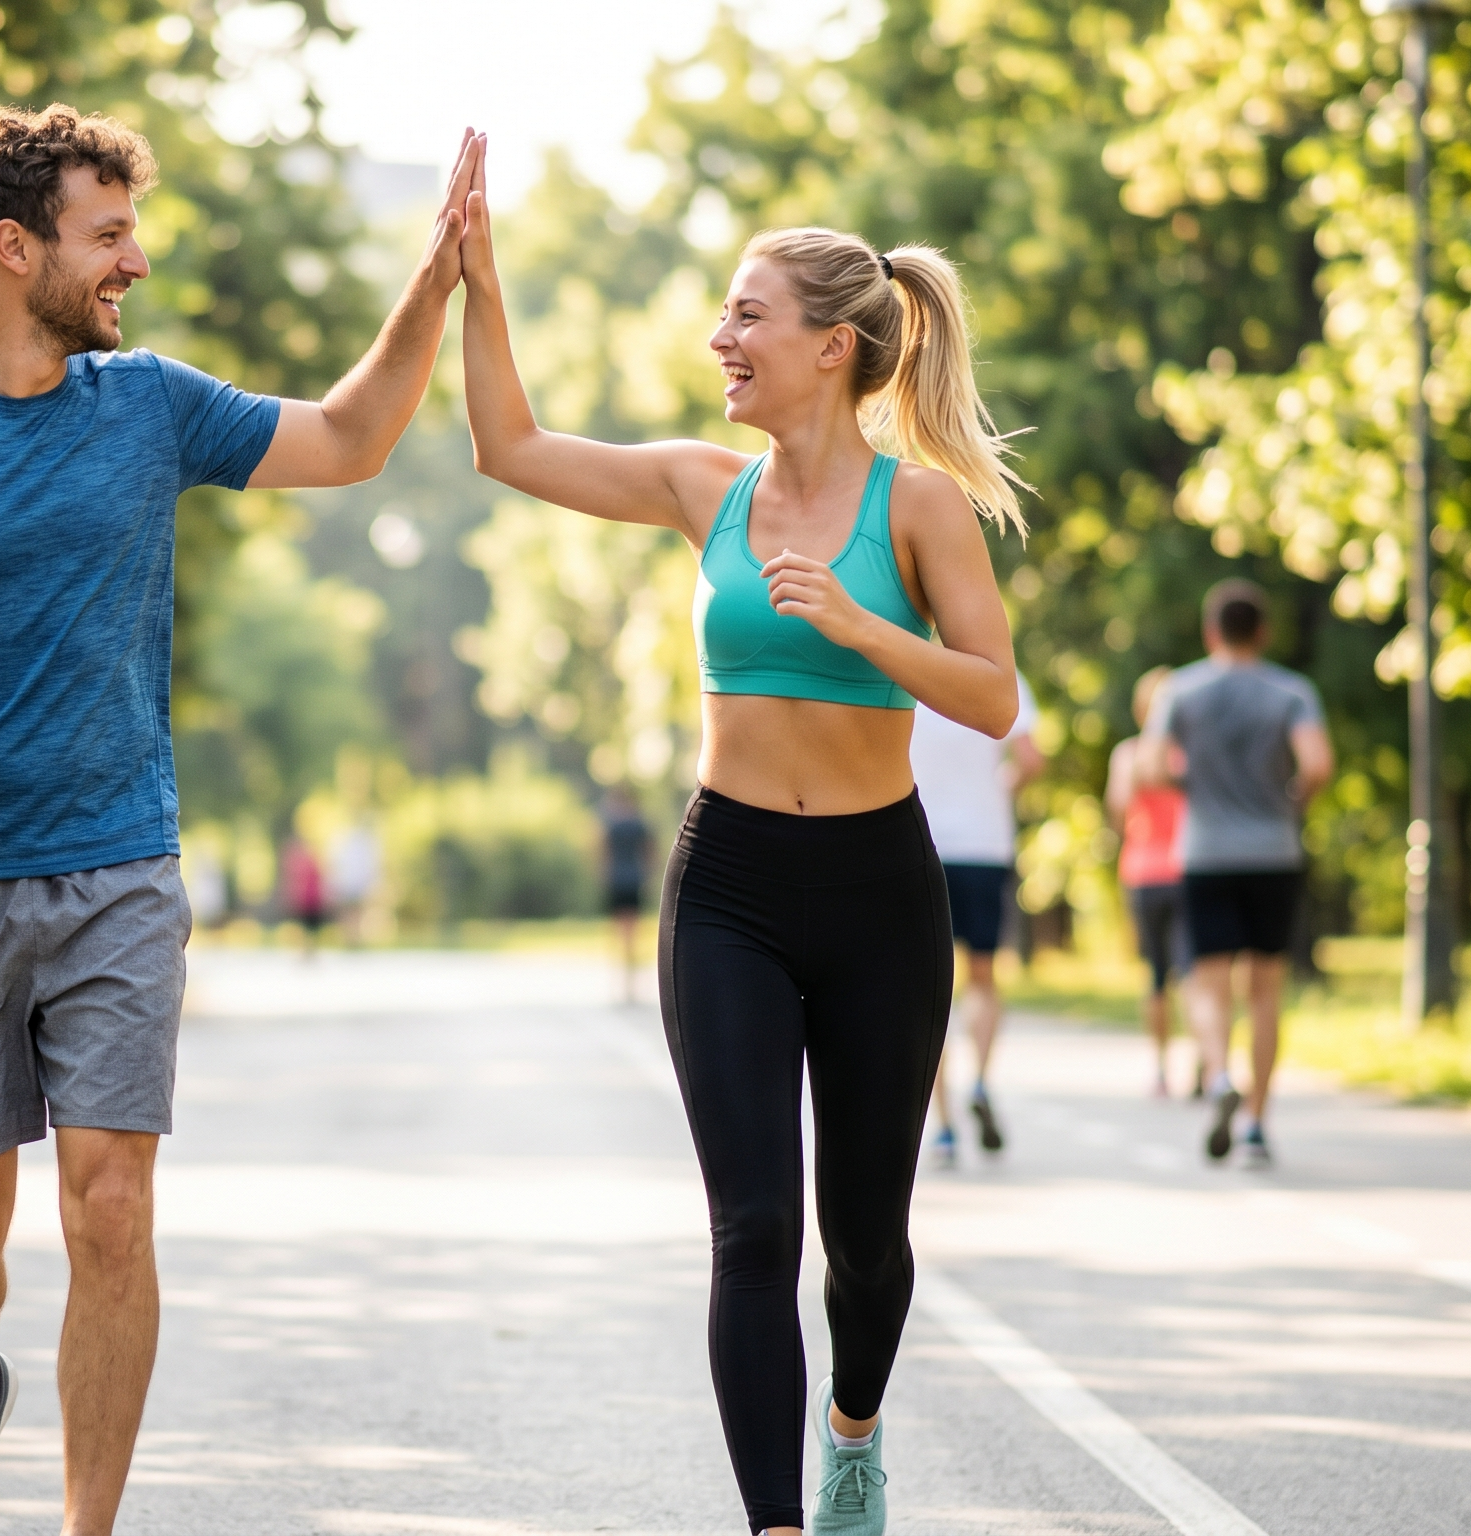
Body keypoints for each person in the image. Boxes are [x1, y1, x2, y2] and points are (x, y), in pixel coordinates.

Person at [0, 105, 484, 1536]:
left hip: (118, 871)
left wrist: (433, 281)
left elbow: (354, 437)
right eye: (109, 233)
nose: (134, 259)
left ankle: (88, 1528)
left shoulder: (149, 405)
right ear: (18, 251)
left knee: (110, 1212)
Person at [459, 142, 1031, 1536]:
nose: (721, 338)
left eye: (746, 315)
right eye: (725, 315)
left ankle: (854, 1430)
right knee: (751, 1231)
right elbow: (509, 448)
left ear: (832, 350)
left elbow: (994, 693)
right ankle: (777, 1524)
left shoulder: (922, 506)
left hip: (878, 892)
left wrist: (857, 625)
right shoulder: (701, 488)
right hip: (729, 889)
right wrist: (478, 282)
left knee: (867, 1246)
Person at [1140, 580, 1333, 1166]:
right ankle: (1256, 1123)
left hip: (1205, 853)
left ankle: (1220, 1074)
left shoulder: (1181, 689)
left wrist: (1190, 787)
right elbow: (1318, 764)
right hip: (1274, 851)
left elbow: (1149, 765)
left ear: (1210, 632)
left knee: (1208, 980)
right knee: (1266, 989)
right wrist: (1290, 800)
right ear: (1263, 632)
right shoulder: (1291, 692)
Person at [909, 675, 1041, 1165]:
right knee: (983, 975)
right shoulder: (999, 673)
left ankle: (943, 1127)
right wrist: (998, 788)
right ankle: (981, 1081)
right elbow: (1030, 758)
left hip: (923, 844)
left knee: (929, 988)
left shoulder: (904, 667)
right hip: (986, 844)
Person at [1105, 665, 1196, 1097]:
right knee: (1196, 973)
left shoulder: (1129, 754)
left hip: (1143, 873)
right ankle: (1204, 1066)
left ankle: (1161, 1071)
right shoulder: (1191, 753)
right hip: (1189, 871)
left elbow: (1119, 810)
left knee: (1157, 976)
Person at [601, 787, 651, 1003]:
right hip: (632, 879)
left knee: (620, 932)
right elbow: (649, 851)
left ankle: (624, 979)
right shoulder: (638, 824)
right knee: (631, 933)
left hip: (619, 880)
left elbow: (603, 852)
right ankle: (627, 980)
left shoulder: (612, 825)